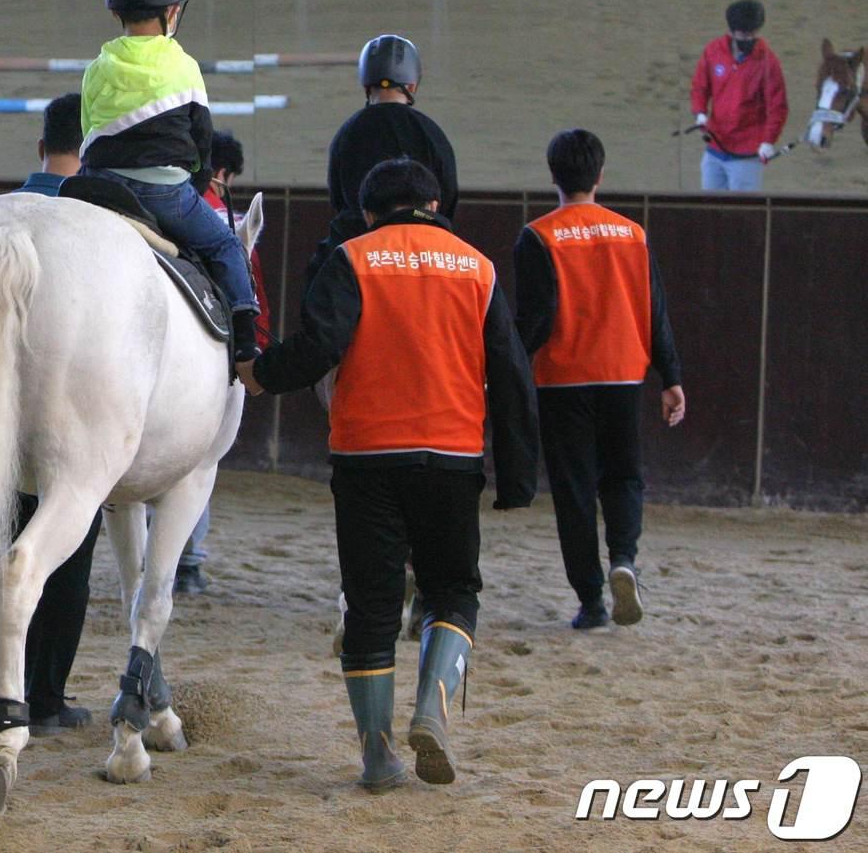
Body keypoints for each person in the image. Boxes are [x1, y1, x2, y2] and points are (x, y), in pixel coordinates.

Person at [238, 159, 538, 792]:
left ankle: (377, 756)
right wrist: (516, 475)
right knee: (453, 591)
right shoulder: (477, 268)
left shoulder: (353, 258)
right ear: (434, 205)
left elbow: (320, 345)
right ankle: (432, 706)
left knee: (372, 607)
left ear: (369, 212)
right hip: (453, 457)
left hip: (366, 457)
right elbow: (511, 373)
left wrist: (262, 374)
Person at [513, 129, 685, 631]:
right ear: (600, 175)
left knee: (574, 491)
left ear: (553, 176)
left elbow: (538, 318)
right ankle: (624, 560)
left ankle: (591, 601)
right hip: (623, 375)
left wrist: (507, 367)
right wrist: (670, 376)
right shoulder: (632, 234)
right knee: (624, 475)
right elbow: (655, 312)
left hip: (563, 379)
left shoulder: (538, 236)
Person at [79, 0, 260, 363]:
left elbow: (88, 135)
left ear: (115, 12)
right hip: (166, 196)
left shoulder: (97, 68)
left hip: (100, 188)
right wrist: (196, 182)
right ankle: (248, 345)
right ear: (172, 11)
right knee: (226, 248)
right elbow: (201, 141)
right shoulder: (184, 66)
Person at [13, 92, 102, 732]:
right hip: (71, 412)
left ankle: (0, 688)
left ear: (41, 148)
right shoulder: (95, 225)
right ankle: (44, 696)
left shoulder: (2, 213)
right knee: (67, 552)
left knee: (7, 542)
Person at [174, 129, 273, 596]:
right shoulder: (228, 223)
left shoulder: (166, 211)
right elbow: (252, 297)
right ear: (222, 173)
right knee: (201, 457)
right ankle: (189, 561)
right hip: (214, 352)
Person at [304, 34, 458, 291]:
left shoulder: (348, 132)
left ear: (367, 84)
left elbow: (339, 199)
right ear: (412, 85)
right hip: (424, 254)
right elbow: (449, 196)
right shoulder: (432, 133)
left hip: (355, 248)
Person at [689, 0, 788, 192]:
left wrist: (768, 141)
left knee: (742, 213)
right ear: (732, 31)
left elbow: (777, 106)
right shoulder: (713, 52)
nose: (748, 38)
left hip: (747, 154)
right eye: (744, 34)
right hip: (715, 148)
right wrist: (699, 112)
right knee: (708, 207)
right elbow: (700, 86)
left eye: (752, 33)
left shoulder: (768, 62)